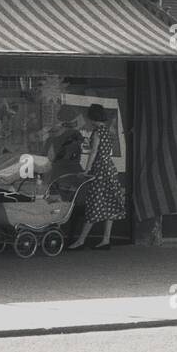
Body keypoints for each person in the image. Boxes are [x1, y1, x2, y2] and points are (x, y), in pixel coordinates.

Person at [67, 103, 125, 249]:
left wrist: (86, 170)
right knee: (110, 203)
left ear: (92, 117)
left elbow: (93, 152)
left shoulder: (97, 132)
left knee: (94, 203)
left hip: (99, 169)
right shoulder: (109, 131)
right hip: (110, 169)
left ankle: (81, 240)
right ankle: (106, 239)